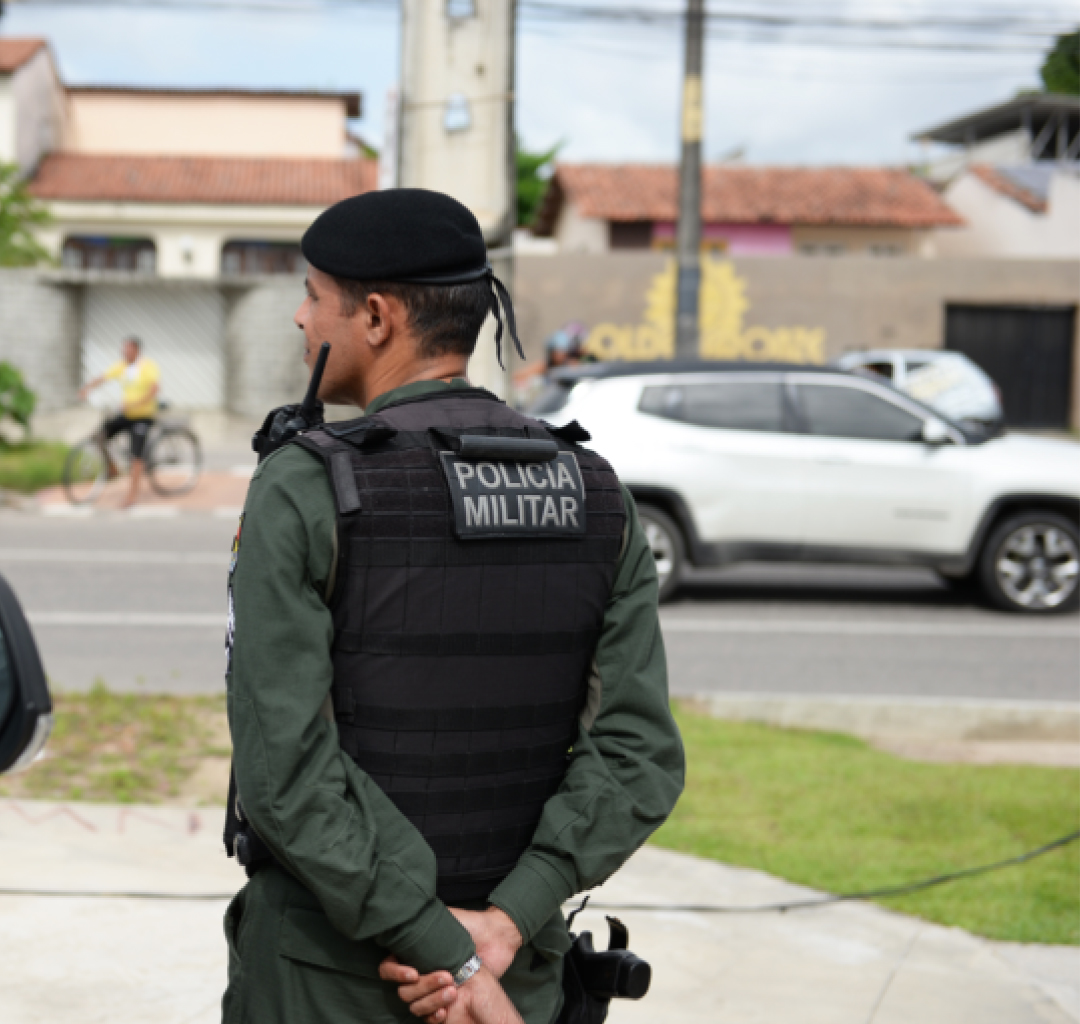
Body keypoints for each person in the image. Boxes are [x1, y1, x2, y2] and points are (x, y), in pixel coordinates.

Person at [220, 189, 684, 1024]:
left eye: (312, 295)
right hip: (519, 982)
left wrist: (447, 948)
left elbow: (285, 772)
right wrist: (502, 928)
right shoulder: (595, 491)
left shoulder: (309, 484)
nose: (299, 318)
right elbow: (637, 751)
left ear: (374, 316)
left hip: (331, 982)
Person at [77, 336, 160, 509]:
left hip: (143, 415)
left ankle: (132, 495)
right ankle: (112, 469)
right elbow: (103, 377)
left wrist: (136, 403)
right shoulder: (122, 366)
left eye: (128, 349)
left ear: (136, 350)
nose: (125, 352)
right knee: (99, 437)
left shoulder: (148, 366)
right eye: (123, 349)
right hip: (126, 414)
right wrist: (87, 388)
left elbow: (154, 390)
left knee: (135, 455)